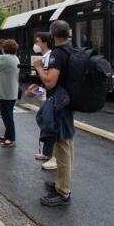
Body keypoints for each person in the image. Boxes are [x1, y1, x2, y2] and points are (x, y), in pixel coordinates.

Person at [33, 20, 75, 207]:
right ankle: (60, 183)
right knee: (66, 144)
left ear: (53, 35)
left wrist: (39, 68)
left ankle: (63, 192)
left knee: (63, 147)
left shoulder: (58, 53)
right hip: (67, 101)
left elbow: (50, 83)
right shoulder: (70, 49)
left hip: (60, 103)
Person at [25, 32, 56, 169]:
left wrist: (37, 90)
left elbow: (49, 80)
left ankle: (55, 157)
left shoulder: (50, 57)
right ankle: (47, 152)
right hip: (45, 95)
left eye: (37, 41)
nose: (35, 44)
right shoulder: (44, 57)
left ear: (44, 42)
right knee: (46, 124)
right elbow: (43, 81)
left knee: (51, 125)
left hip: (50, 97)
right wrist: (36, 89)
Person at [0, 39, 20, 148]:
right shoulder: (15, 58)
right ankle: (7, 135)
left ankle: (11, 138)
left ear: (5, 48)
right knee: (9, 113)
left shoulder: (3, 58)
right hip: (13, 91)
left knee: (6, 115)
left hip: (4, 91)